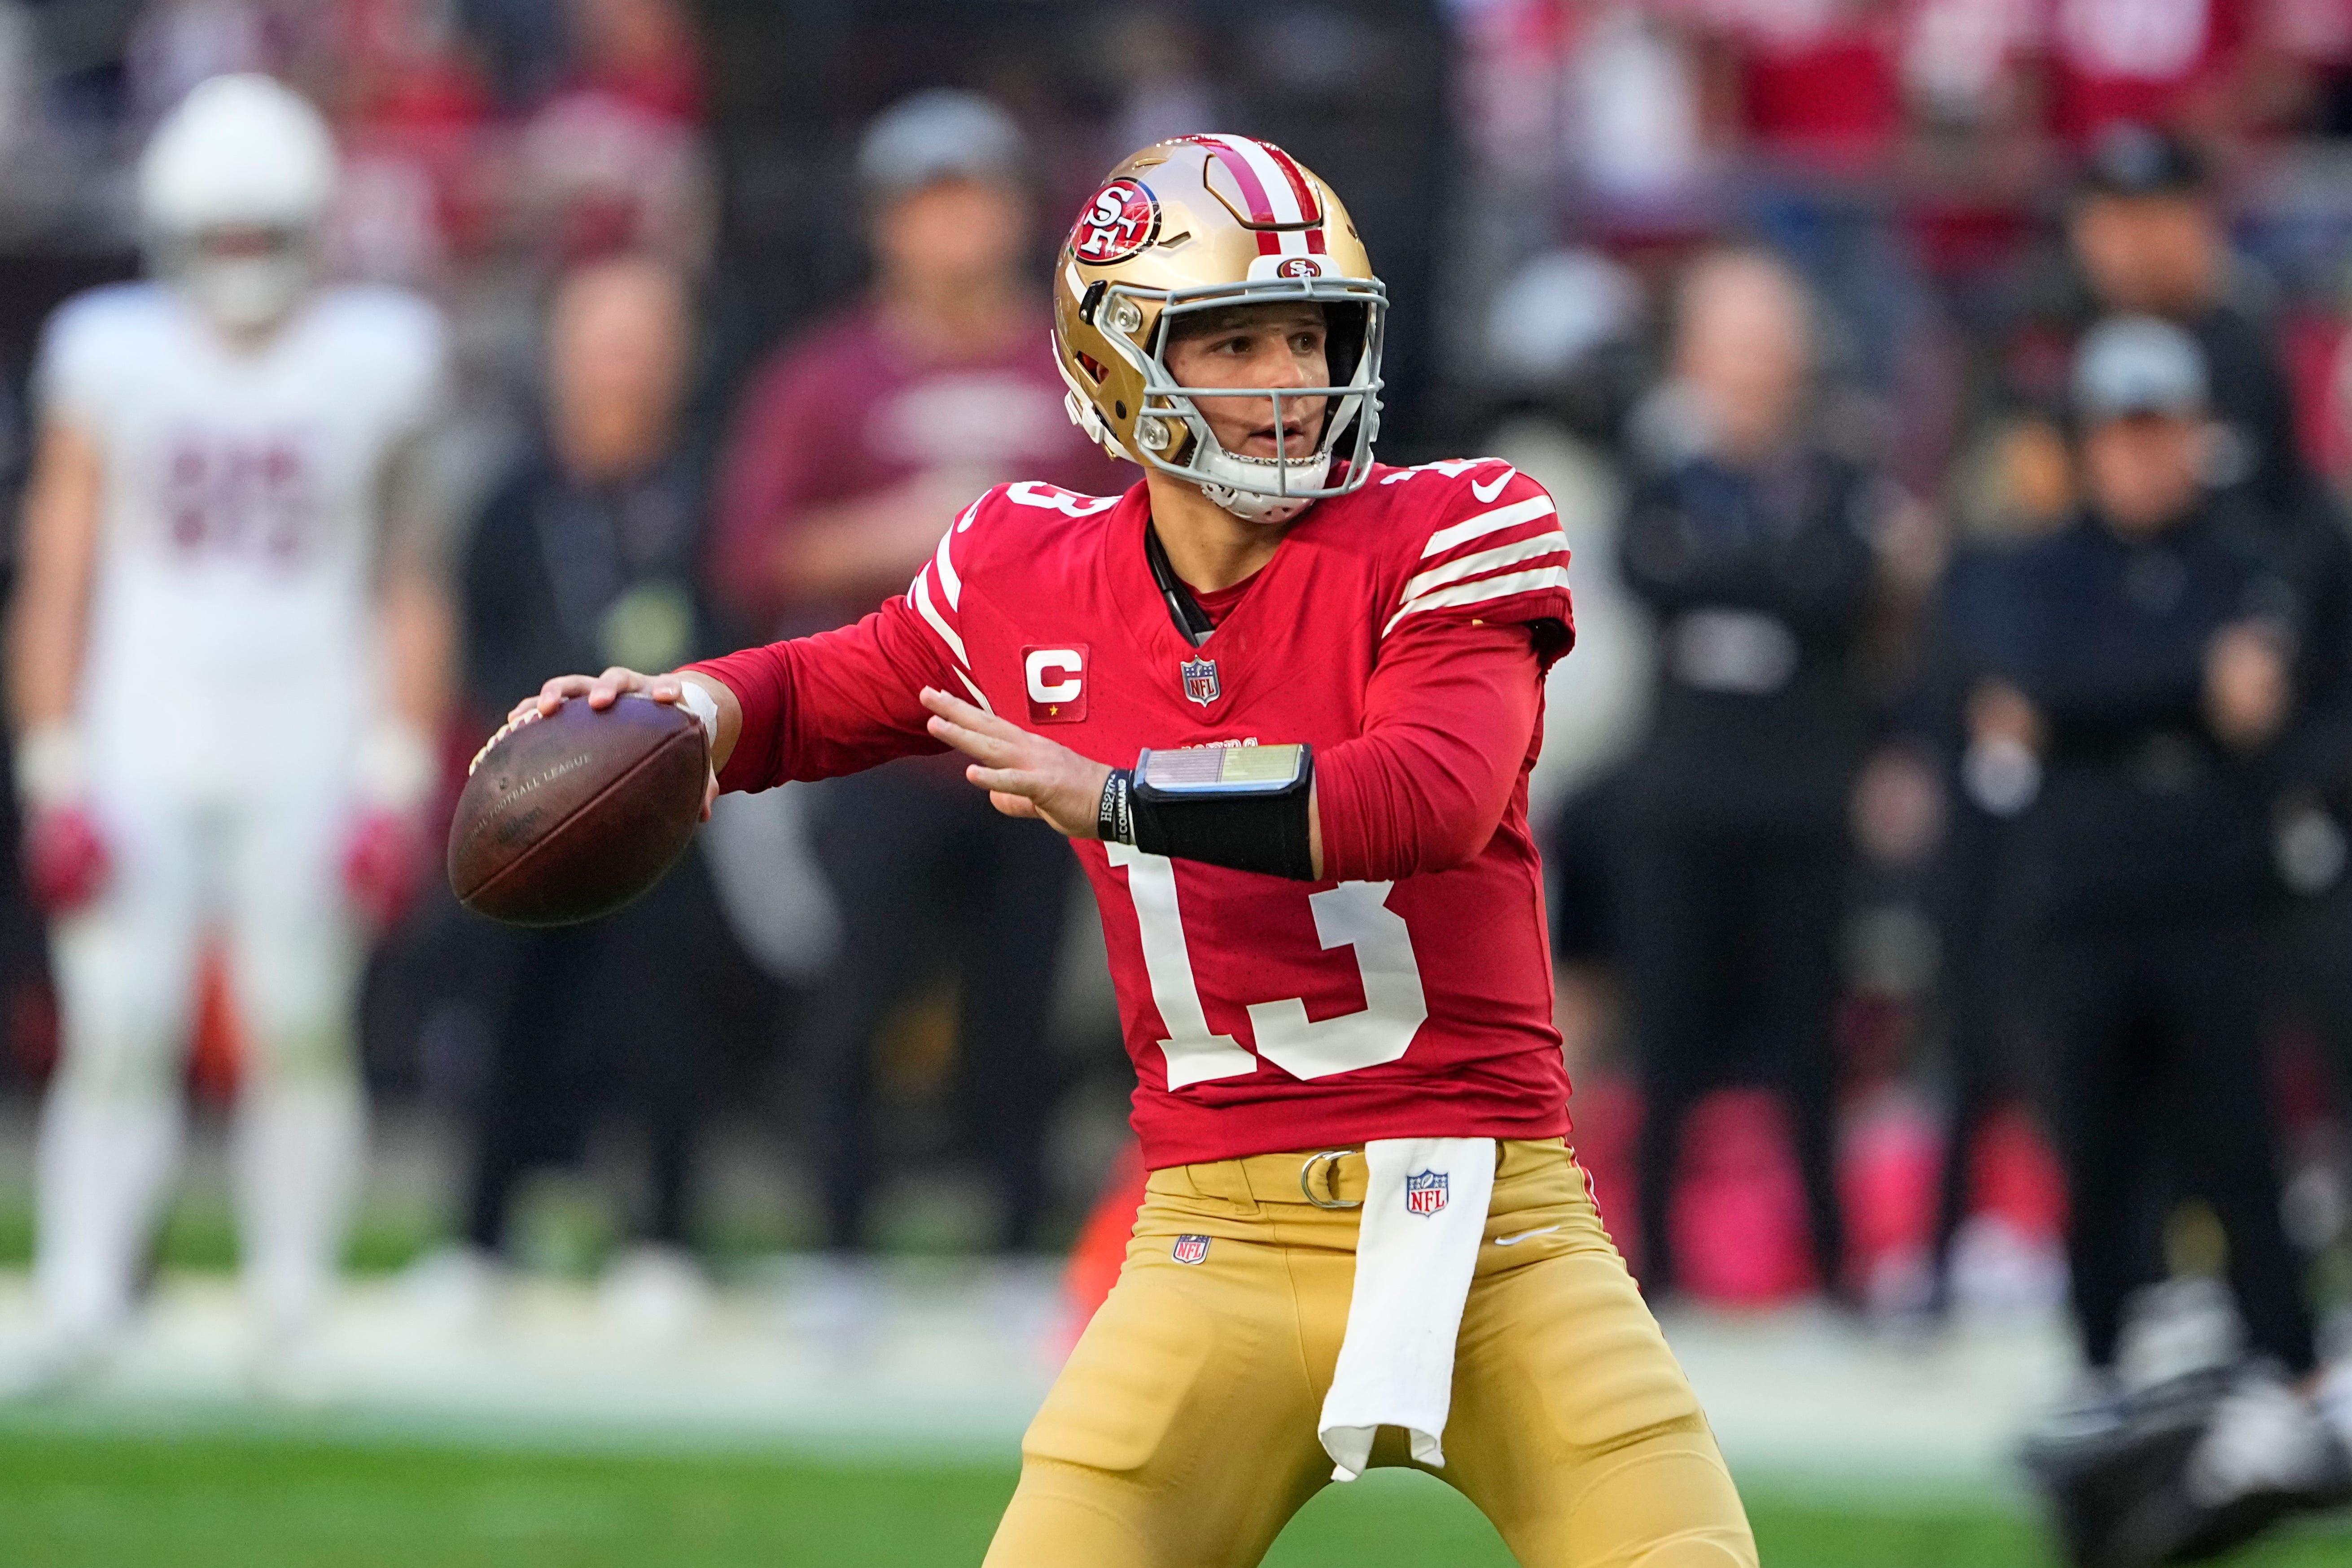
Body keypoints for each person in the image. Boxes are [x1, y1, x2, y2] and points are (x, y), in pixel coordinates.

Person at [512, 135, 1756, 1565]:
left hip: (1493, 1227)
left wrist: (1116, 794)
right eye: (1236, 340)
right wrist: (679, 708)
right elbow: (825, 688)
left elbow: (1425, 795)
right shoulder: (1024, 567)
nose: (1290, 376)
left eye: (1311, 332)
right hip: (1210, 1241)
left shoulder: (1453, 527)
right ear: (1116, 360)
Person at [3, 75, 451, 1391]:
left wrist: (395, 764)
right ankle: (85, 1292)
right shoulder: (111, 351)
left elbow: (406, 575)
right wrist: (52, 763)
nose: (243, 266)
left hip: (308, 726)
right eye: (224, 237)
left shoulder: (380, 353)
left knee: (300, 1022)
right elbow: (62, 566)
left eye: (265, 236)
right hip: (141, 724)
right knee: (118, 1022)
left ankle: (291, 1303)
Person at [709, 90, 1126, 1257]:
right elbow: (750, 555)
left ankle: (1009, 1241)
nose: (953, 231)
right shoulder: (825, 378)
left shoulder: (1083, 374)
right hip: (883, 743)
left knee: (1024, 1011)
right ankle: (836, 1243)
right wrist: (892, 533)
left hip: (1042, 745)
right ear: (887, 223)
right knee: (856, 1004)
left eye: (974, 201)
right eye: (929, 205)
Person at [2007, 317, 2351, 1566]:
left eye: (2161, 433)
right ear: (2090, 445)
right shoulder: (2043, 566)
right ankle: (2100, 1361)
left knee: (2239, 1140)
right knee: (2095, 1146)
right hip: (2091, 898)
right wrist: (2176, 697)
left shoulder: (2244, 554)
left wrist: (2119, 707)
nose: (2143, 460)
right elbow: (2044, 684)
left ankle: (2286, 1365)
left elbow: (2272, 698)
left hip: (2213, 892)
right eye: (2122, 434)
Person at [420, 254, 733, 1332]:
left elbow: (738, 630)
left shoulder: (698, 488)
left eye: (643, 345)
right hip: (531, 805)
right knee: (505, 1015)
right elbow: (473, 640)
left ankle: (664, 1239)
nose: (621, 368)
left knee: (663, 1025)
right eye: (602, 343)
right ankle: (479, 1237)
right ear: (560, 358)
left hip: (667, 801)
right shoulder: (514, 499)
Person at [1613, 249, 1883, 1304]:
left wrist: (1736, 586)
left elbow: (1839, 595)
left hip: (1802, 796)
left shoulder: (1833, 478)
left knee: (1810, 1033)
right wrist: (1777, 585)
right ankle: (1652, 1260)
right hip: (1684, 793)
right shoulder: (1666, 479)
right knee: (1668, 1026)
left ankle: (1830, 1258)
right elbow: (1652, 580)